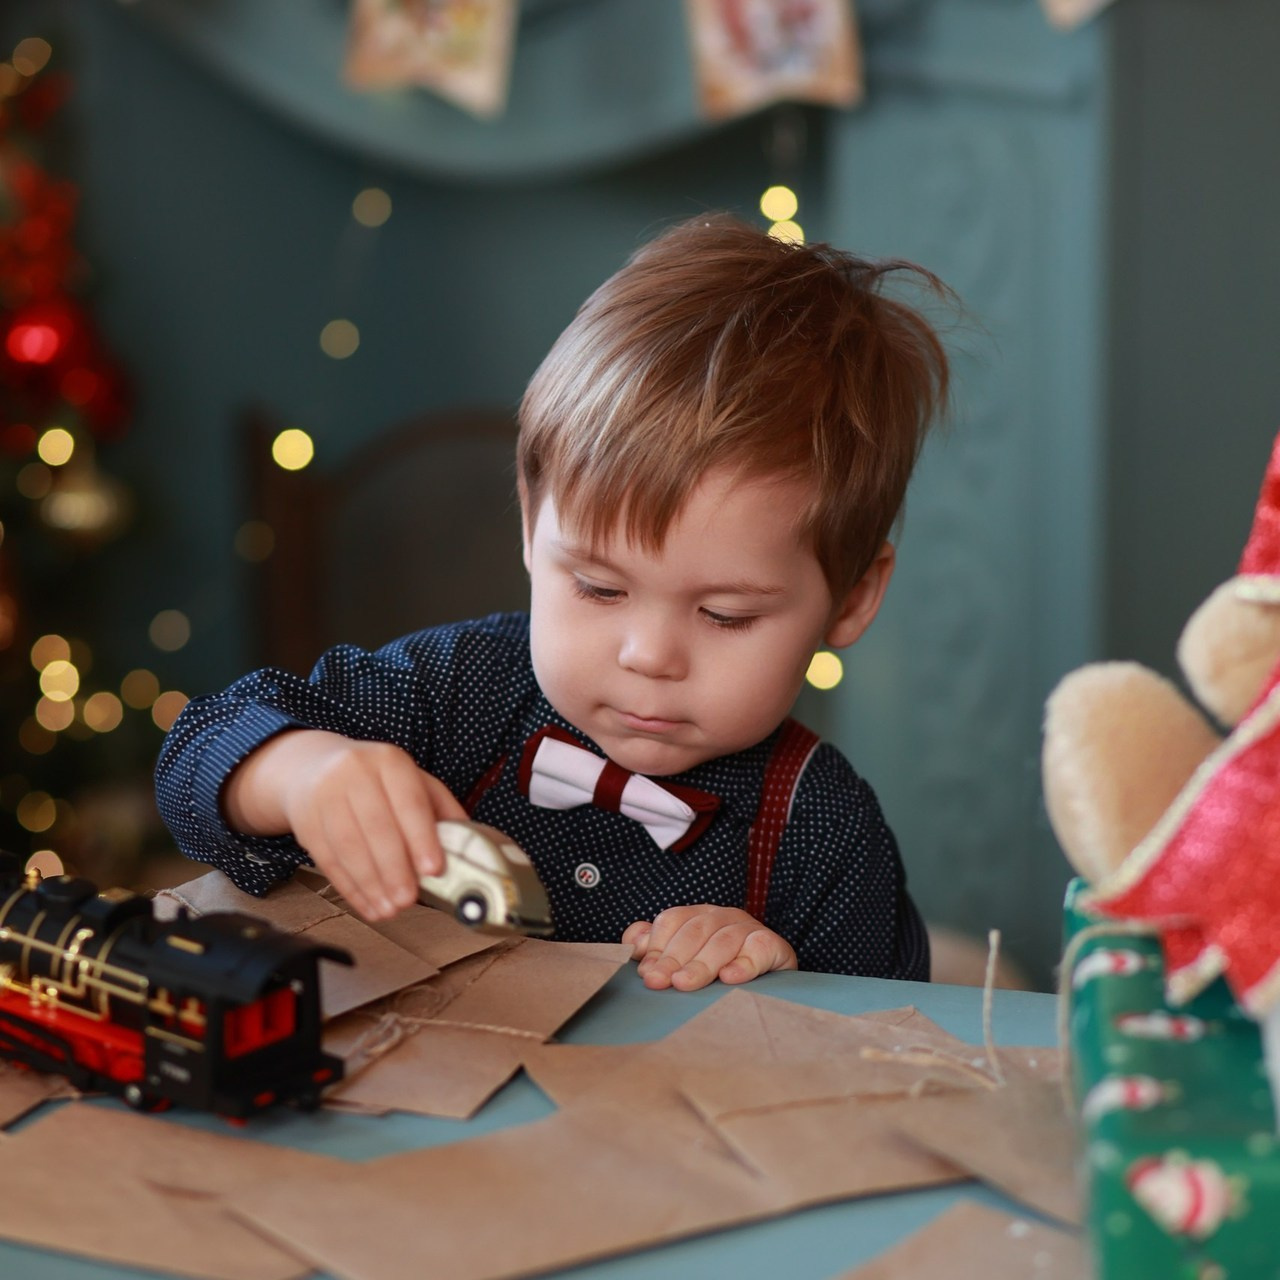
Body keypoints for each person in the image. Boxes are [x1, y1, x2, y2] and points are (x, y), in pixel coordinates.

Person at [156, 213, 952, 992]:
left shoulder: (822, 828)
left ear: (851, 599)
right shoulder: (455, 689)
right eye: (600, 587)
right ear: (532, 528)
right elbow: (195, 754)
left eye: (725, 615)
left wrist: (780, 974)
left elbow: (897, 1031)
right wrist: (303, 774)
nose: (649, 656)